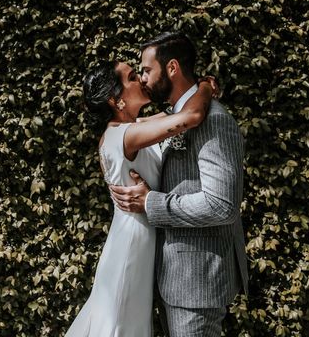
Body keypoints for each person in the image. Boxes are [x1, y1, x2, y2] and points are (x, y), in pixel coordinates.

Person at [109, 32, 249, 337]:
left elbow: (221, 205)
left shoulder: (213, 120)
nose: (143, 79)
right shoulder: (173, 117)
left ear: (171, 68)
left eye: (146, 70)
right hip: (170, 277)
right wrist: (204, 87)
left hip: (196, 283)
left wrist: (151, 202)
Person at [65, 60, 217, 337]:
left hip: (138, 238)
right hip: (132, 247)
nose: (141, 80)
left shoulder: (129, 128)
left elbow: (179, 112)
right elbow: (193, 116)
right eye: (132, 77)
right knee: (120, 326)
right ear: (116, 100)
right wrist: (206, 85)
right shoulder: (127, 135)